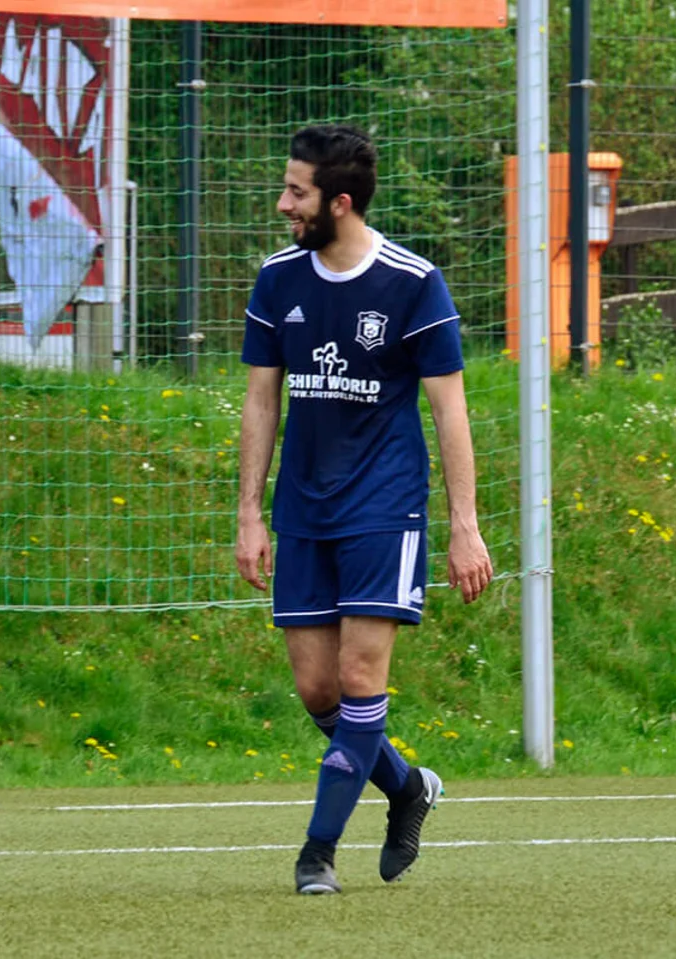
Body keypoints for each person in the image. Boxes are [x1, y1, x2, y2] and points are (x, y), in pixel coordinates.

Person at [233, 124, 494, 895]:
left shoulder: (414, 283)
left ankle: (317, 852)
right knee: (317, 690)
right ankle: (408, 786)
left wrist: (464, 525)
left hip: (385, 508)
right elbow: (259, 399)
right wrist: (250, 513)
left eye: (296, 192)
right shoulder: (279, 279)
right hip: (302, 510)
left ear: (338, 203)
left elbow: (452, 412)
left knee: (357, 675)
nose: (283, 204)